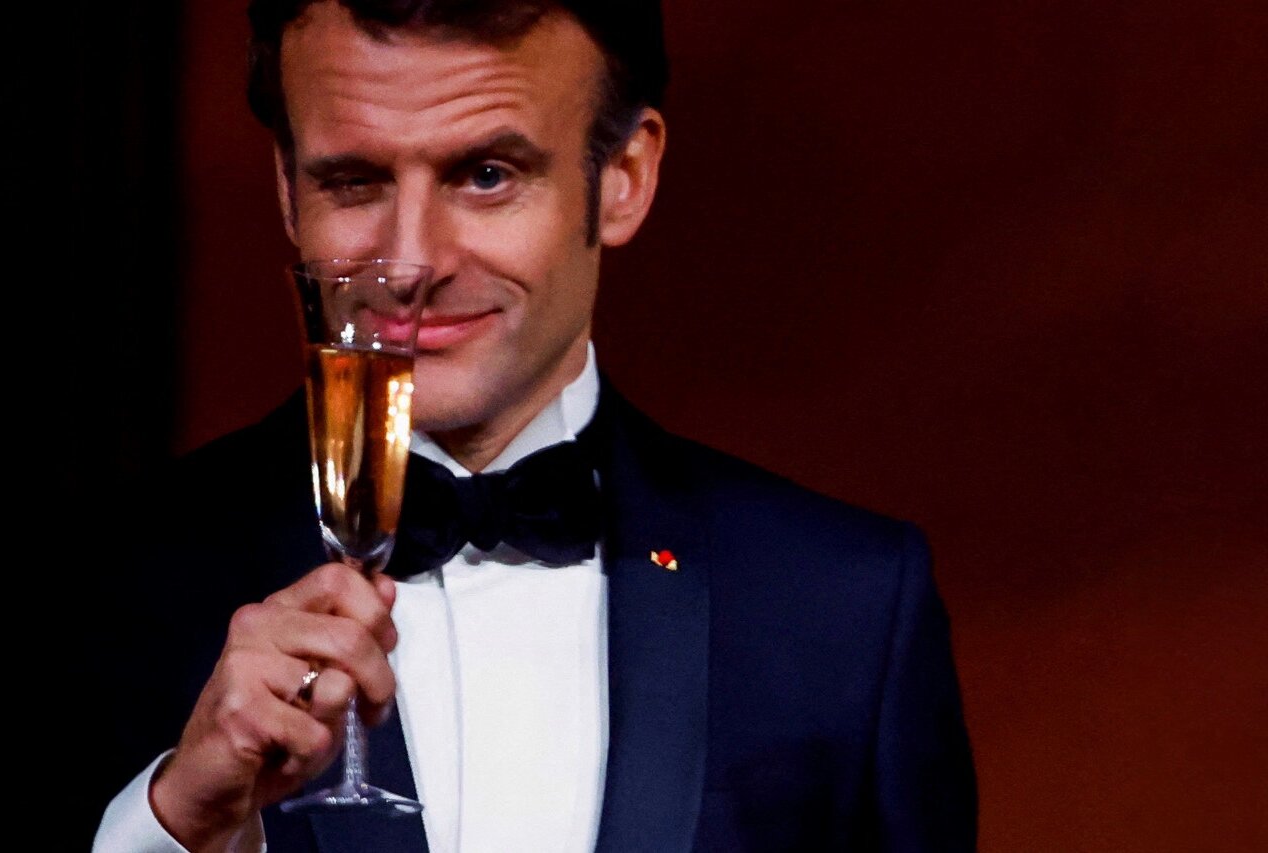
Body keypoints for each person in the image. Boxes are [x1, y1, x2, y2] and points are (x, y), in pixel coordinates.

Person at [88, 1, 977, 851]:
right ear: (288, 189)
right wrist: (176, 826)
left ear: (624, 178)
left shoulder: (844, 607)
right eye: (354, 181)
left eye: (487, 175)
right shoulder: (104, 593)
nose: (415, 260)